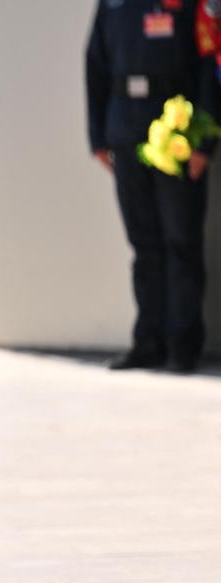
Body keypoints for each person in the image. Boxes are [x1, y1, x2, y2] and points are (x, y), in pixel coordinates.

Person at [87, 0, 219, 372]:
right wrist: (98, 137)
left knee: (181, 242)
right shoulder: (112, 5)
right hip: (125, 131)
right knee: (143, 245)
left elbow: (210, 64)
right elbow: (95, 64)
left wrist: (204, 143)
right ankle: (149, 343)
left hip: (179, 134)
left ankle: (183, 345)